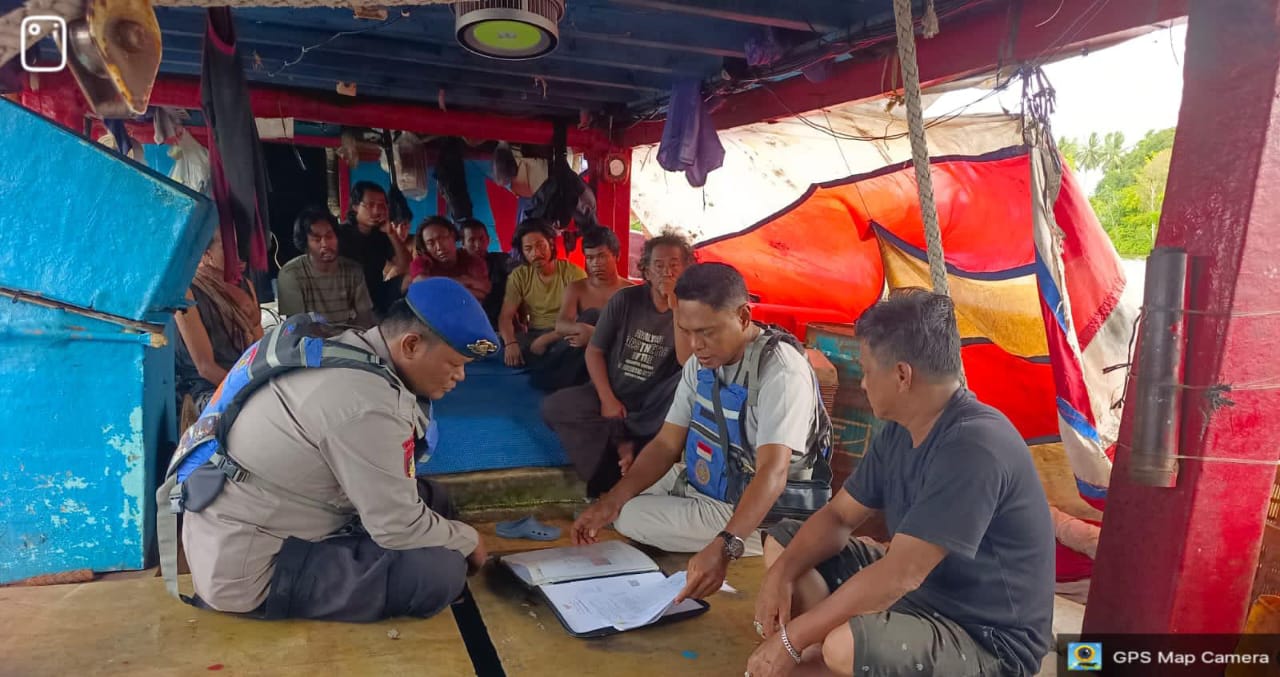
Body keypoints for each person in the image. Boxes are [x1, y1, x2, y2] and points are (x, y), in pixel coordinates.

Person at [747, 290, 1054, 677]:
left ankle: (826, 654)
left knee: (844, 646)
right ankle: (822, 652)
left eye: (866, 370)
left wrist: (791, 639)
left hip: (986, 639)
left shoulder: (974, 445)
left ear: (902, 375)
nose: (862, 384)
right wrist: (780, 575)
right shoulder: (900, 429)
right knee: (786, 543)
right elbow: (840, 516)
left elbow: (900, 575)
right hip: (920, 597)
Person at [180, 278, 501, 622]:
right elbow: (396, 527)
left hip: (245, 516)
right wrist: (468, 540)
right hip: (252, 568)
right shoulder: (368, 404)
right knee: (439, 572)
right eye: (454, 364)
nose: (460, 376)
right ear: (410, 345)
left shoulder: (351, 347)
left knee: (432, 499)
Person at [573, 262, 830, 604]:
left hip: (765, 508)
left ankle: (753, 541)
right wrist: (609, 503)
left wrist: (725, 546)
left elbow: (774, 472)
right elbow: (666, 443)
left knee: (632, 516)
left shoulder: (780, 371)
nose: (695, 345)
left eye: (707, 332)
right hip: (714, 479)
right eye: (687, 331)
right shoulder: (702, 362)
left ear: (742, 317)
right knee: (621, 500)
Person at [542, 233, 695, 496]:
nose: (666, 272)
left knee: (686, 384)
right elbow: (594, 351)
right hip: (615, 388)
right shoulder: (625, 300)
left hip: (653, 403)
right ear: (646, 269)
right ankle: (621, 449)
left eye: (674, 265)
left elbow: (685, 361)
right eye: (658, 265)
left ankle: (624, 440)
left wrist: (676, 308)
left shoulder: (691, 309)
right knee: (555, 407)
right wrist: (607, 399)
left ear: (686, 270)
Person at [173, 228, 264, 427]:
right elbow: (205, 367)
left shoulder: (245, 285)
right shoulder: (187, 292)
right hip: (206, 389)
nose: (238, 255)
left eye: (239, 247)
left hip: (245, 380)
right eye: (228, 248)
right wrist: (249, 391)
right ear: (206, 254)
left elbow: (259, 350)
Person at [527, 227, 633, 391]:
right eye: (590, 258)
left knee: (594, 315)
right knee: (587, 320)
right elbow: (561, 325)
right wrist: (583, 329)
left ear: (616, 256)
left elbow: (633, 335)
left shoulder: (631, 292)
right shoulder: (577, 287)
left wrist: (597, 335)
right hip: (579, 355)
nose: (595, 263)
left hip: (614, 356)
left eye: (601, 256)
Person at [498, 218, 586, 368]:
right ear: (522, 252)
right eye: (528, 249)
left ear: (551, 244)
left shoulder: (573, 274)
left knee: (575, 347)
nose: (536, 253)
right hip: (533, 333)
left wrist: (546, 340)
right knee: (499, 344)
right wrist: (510, 343)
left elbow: (584, 319)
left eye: (541, 246)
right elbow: (505, 317)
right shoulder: (519, 276)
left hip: (562, 334)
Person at [276, 206, 375, 329]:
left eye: (329, 236)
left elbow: (365, 318)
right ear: (305, 243)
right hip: (311, 342)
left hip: (348, 340)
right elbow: (296, 328)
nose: (325, 244)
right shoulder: (291, 274)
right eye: (316, 239)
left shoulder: (353, 270)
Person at [337, 181, 412, 316]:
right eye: (370, 205)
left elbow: (405, 264)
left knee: (412, 279)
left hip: (375, 294)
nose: (377, 211)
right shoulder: (340, 235)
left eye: (382, 205)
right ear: (355, 206)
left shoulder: (381, 234)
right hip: (346, 297)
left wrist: (391, 233)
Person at [404, 216, 491, 301]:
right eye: (430, 243)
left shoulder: (473, 260)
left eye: (442, 238)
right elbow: (420, 283)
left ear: (453, 235)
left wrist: (437, 288)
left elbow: (484, 290)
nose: (439, 247)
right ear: (425, 247)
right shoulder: (422, 262)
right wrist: (464, 280)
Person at [458, 218, 512, 328]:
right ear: (463, 243)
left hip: (501, 324)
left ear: (488, 239)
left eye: (482, 239)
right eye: (472, 240)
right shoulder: (457, 267)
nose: (478, 245)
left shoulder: (501, 260)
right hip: (468, 325)